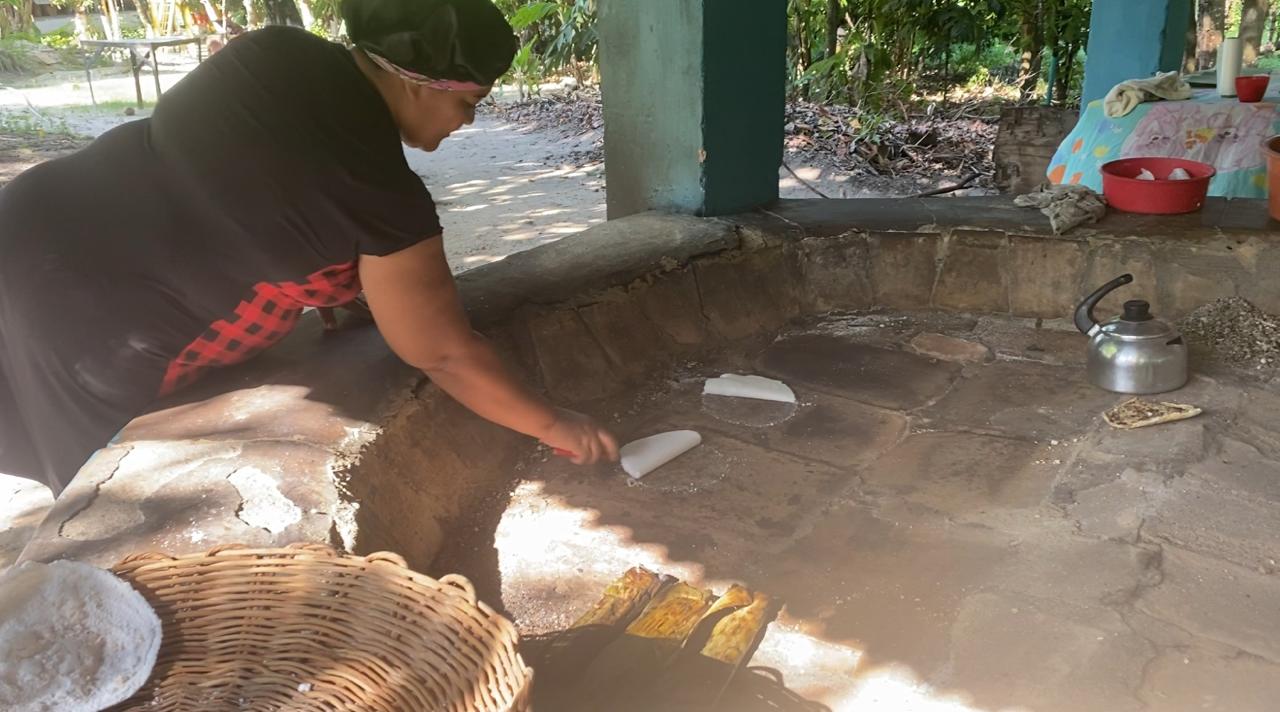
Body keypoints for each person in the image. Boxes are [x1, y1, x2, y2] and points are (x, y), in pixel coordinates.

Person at [0, 0, 619, 495]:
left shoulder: (275, 50)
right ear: (420, 81)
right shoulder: (378, 193)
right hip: (90, 314)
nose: (467, 122)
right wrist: (553, 423)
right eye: (467, 101)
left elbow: (250, 196)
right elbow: (444, 353)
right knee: (100, 505)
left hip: (31, 216)